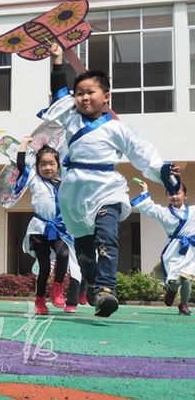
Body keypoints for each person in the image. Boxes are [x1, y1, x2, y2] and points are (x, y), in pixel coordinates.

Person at [38, 42, 180, 317]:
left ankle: (105, 290)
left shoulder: (118, 128)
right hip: (75, 193)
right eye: (79, 93)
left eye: (90, 92)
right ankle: (92, 282)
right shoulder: (71, 119)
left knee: (108, 237)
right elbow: (59, 94)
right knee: (83, 252)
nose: (84, 98)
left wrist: (162, 171)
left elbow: (143, 153)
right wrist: (57, 61)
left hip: (107, 188)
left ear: (106, 97)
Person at [14, 136, 82, 314]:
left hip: (59, 228)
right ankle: (40, 301)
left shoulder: (64, 184)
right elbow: (21, 165)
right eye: (43, 164)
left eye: (52, 163)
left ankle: (58, 288)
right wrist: (24, 144)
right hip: (39, 229)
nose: (47, 168)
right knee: (44, 267)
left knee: (63, 253)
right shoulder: (34, 180)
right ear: (37, 166)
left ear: (58, 165)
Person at [131, 180, 194, 315]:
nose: (174, 196)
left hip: (189, 250)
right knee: (175, 281)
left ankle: (183, 305)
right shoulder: (164, 212)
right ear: (167, 197)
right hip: (173, 250)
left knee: (187, 279)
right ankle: (172, 290)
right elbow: (149, 207)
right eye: (170, 194)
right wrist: (144, 190)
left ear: (185, 195)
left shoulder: (193, 211)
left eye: (177, 193)